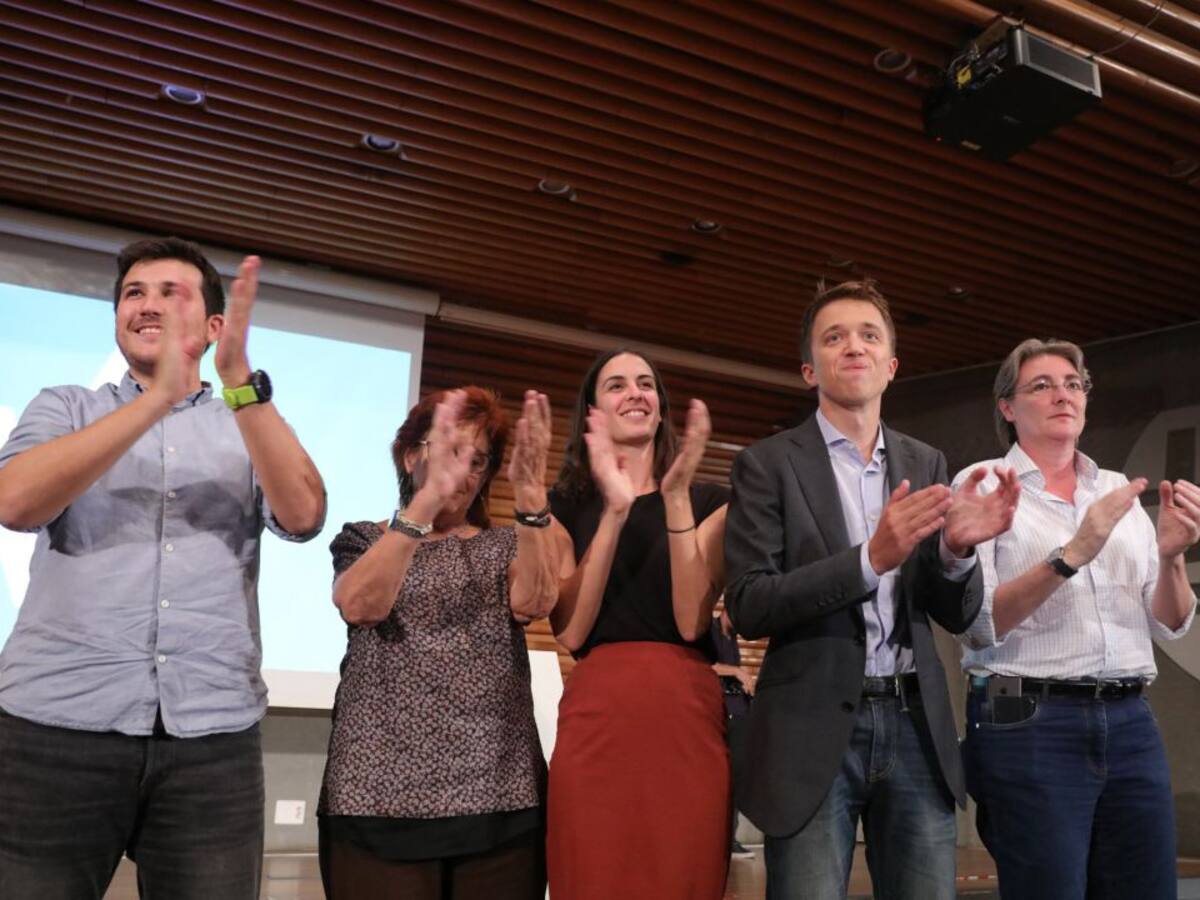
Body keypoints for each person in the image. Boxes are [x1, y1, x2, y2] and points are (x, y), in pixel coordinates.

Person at [0, 237, 326, 899]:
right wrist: (157, 400)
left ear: (214, 327)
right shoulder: (65, 406)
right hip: (54, 728)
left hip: (212, 737)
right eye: (133, 294)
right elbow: (14, 501)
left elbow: (304, 515)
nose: (146, 306)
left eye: (170, 294)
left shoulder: (249, 422)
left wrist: (240, 385)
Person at [723, 279, 1019, 900]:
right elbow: (750, 603)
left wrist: (957, 552)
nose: (853, 346)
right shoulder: (767, 464)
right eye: (834, 337)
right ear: (810, 368)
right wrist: (868, 560)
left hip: (915, 721)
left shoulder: (925, 462)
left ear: (891, 365)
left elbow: (956, 612)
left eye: (868, 336)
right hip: (810, 729)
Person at [956, 338, 1198, 900]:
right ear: (1008, 407)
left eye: (1073, 384)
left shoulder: (1116, 489)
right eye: (1042, 385)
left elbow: (1170, 622)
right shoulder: (982, 485)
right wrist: (1071, 554)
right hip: (1027, 718)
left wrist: (1171, 557)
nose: (1063, 395)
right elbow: (978, 623)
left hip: (1130, 718)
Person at [318, 386, 569, 900]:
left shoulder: (504, 544)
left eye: (479, 461)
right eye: (453, 451)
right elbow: (359, 605)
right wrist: (427, 502)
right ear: (411, 456)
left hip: (500, 793)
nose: (466, 471)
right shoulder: (365, 538)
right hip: (375, 794)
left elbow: (536, 600)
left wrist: (529, 495)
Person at [546, 348, 730, 900]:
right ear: (593, 411)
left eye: (646, 384)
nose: (636, 393)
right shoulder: (563, 506)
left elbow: (691, 620)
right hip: (598, 716)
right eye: (618, 384)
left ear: (661, 407)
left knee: (682, 874)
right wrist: (616, 510)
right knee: (592, 875)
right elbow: (570, 631)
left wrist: (674, 498)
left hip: (684, 716)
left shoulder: (711, 501)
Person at [710, 605, 756, 860]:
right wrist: (737, 671)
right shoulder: (710, 630)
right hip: (722, 712)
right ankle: (723, 841)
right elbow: (706, 665)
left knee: (737, 778)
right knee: (725, 780)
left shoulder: (732, 637)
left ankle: (730, 840)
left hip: (739, 712)